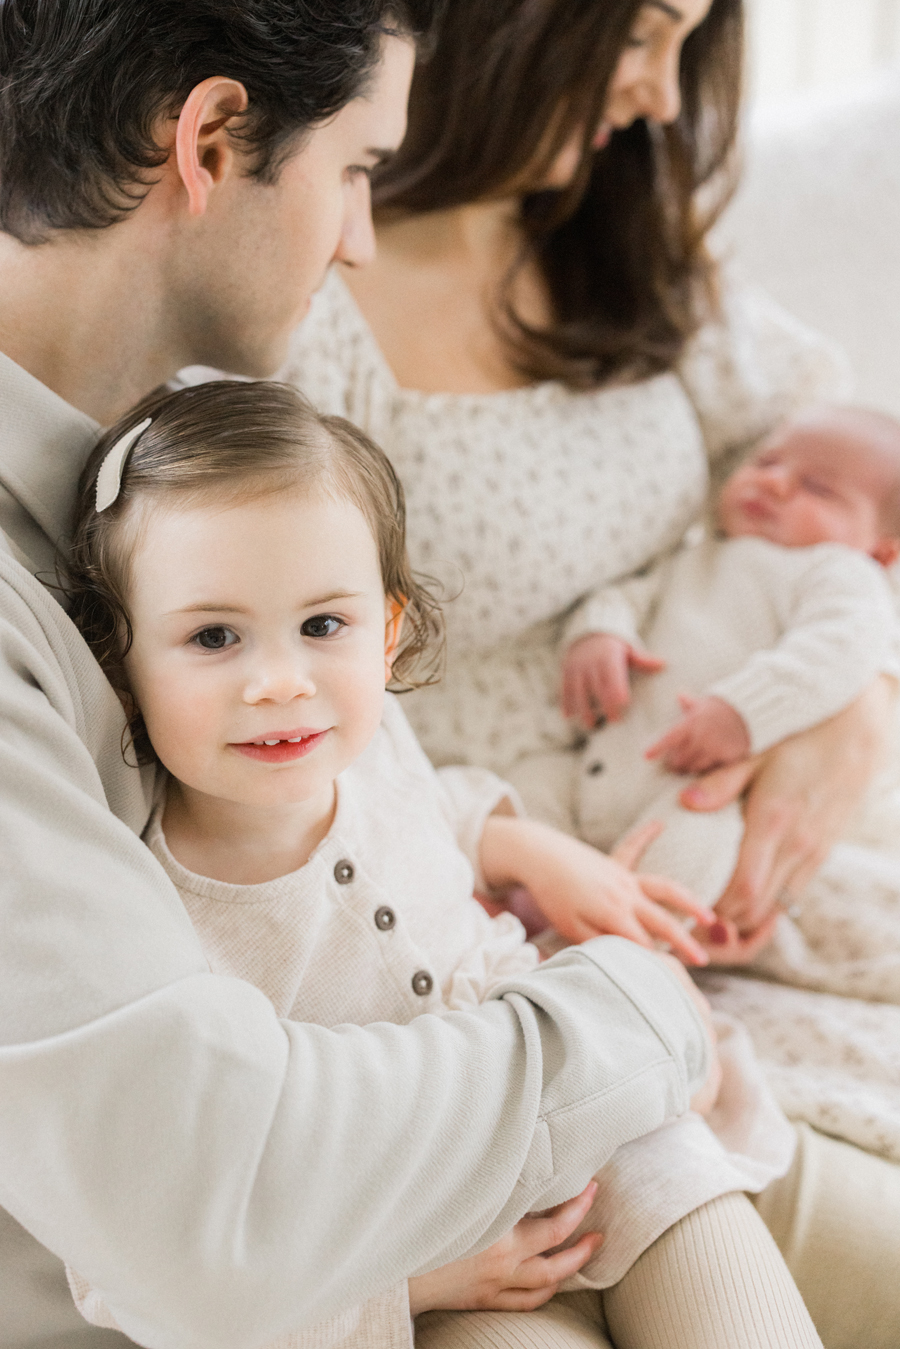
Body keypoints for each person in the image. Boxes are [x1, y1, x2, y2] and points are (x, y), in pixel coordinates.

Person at [0, 5, 718, 1347]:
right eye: (359, 170)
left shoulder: (166, 484)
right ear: (211, 138)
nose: (359, 239)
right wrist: (631, 1014)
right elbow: (218, 1200)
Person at [273, 0, 900, 1343]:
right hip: (469, 932)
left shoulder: (633, 257)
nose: (666, 97)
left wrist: (858, 700)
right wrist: (500, 846)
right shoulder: (306, 297)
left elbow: (856, 492)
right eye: (645, 35)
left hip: (720, 913)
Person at [63, 378, 819, 1349]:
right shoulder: (143, 922)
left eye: (322, 625)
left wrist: (526, 845)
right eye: (214, 635)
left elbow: (432, 806)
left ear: (386, 630)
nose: (279, 679)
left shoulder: (361, 738)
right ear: (121, 661)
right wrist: (410, 1285)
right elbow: (136, 1268)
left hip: (601, 1128)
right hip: (419, 1255)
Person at [509, 405, 900, 940]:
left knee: (691, 851)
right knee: (520, 791)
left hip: (696, 785)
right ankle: (517, 906)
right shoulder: (695, 554)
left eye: (818, 488)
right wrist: (602, 631)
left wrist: (744, 712)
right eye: (767, 461)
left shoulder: (839, 575)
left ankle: (615, 948)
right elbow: (631, 591)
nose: (775, 483)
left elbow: (842, 649)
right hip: (595, 766)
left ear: (880, 549)